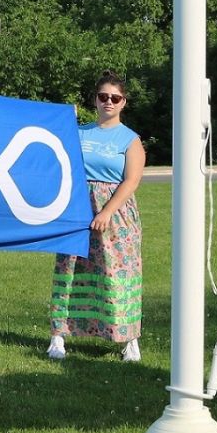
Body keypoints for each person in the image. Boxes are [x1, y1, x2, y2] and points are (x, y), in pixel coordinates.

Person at [48, 70, 146, 361]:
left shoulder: (130, 140)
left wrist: (106, 211)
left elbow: (131, 180)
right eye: (103, 96)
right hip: (77, 208)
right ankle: (58, 336)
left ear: (123, 102)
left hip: (115, 213)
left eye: (115, 98)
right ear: (95, 100)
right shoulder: (78, 132)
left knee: (118, 273)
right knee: (69, 269)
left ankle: (129, 339)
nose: (109, 102)